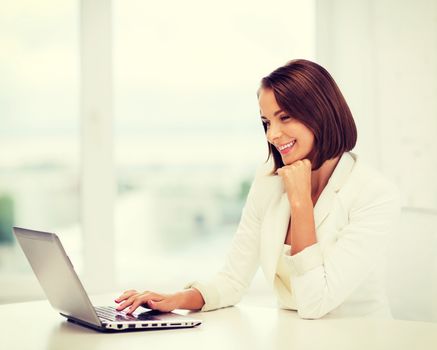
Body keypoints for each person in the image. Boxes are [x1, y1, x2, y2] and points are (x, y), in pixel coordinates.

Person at [115, 59, 400, 319]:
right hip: (293, 338)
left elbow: (315, 302)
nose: (272, 134)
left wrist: (301, 203)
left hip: (360, 339)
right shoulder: (269, 181)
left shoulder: (373, 194)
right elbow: (233, 280)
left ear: (321, 114)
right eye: (266, 122)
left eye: (285, 117)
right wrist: (174, 299)